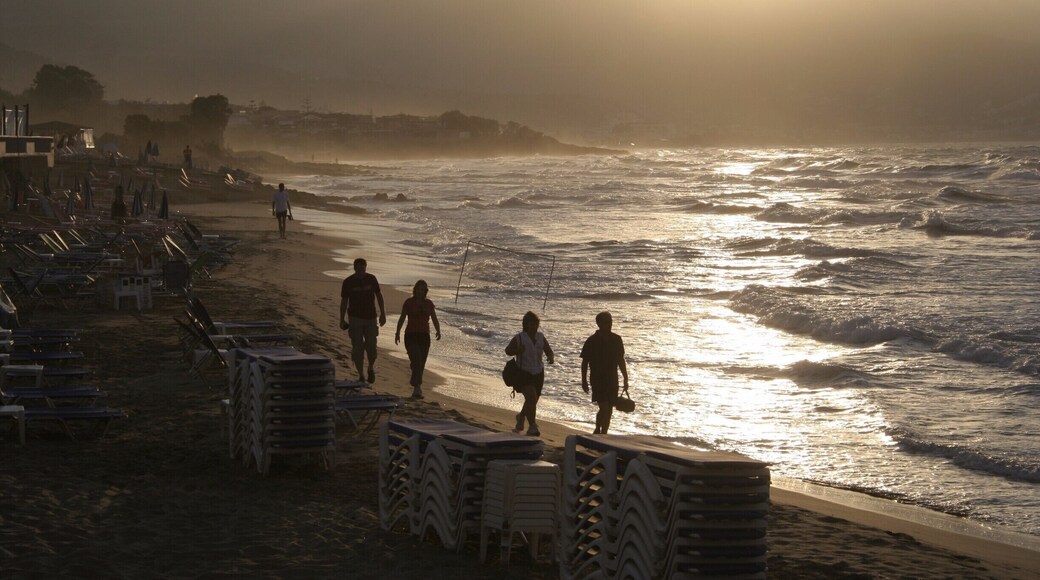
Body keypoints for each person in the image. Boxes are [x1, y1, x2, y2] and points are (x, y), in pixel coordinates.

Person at [505, 311, 555, 437]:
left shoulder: (541, 337)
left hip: (538, 372)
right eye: (531, 323)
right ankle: (533, 426)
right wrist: (518, 350)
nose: (534, 326)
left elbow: (548, 350)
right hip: (523, 372)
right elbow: (508, 350)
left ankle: (521, 417)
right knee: (531, 397)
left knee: (532, 400)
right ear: (526, 324)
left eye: (536, 323)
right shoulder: (520, 337)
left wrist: (550, 357)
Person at [580, 311, 629, 435]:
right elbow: (585, 362)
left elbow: (620, 360)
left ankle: (604, 432)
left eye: (610, 321)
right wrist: (584, 380)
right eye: (606, 322)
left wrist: (625, 377)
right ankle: (597, 429)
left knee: (609, 409)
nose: (609, 324)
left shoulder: (617, 339)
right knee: (604, 407)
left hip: (612, 378)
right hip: (597, 378)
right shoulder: (592, 341)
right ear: (599, 324)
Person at [339, 258, 386, 383]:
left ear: (366, 267)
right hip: (355, 319)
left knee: (371, 348)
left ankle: (370, 368)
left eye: (363, 268)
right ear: (354, 268)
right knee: (357, 349)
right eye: (358, 268)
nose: (361, 271)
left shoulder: (371, 279)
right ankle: (361, 374)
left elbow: (379, 295)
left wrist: (383, 314)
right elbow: (344, 301)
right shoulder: (348, 282)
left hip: (371, 318)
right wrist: (341, 319)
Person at [395, 280, 441, 399]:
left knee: (421, 363)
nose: (420, 291)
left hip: (424, 336)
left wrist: (438, 330)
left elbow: (434, 318)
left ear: (425, 291)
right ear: (415, 290)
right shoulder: (409, 302)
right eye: (418, 289)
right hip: (411, 335)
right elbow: (402, 317)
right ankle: (417, 385)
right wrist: (397, 332)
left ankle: (417, 388)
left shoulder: (429, 304)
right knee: (416, 359)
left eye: (422, 289)